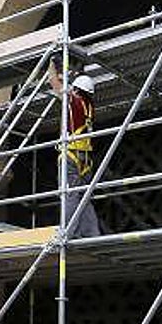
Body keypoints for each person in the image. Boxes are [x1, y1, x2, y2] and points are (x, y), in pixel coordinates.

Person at [48, 60, 102, 238]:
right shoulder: (89, 106)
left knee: (69, 195)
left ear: (77, 90)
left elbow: (55, 84)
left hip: (71, 156)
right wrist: (74, 74)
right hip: (85, 159)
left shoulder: (75, 102)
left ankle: (67, 232)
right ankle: (91, 232)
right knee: (82, 198)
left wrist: (51, 66)